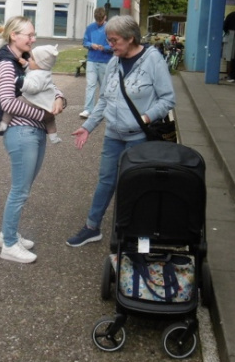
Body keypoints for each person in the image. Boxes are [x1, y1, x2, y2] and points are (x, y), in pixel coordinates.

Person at [67, 15, 175, 247]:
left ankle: (135, 235)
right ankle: (91, 227)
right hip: (113, 135)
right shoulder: (114, 61)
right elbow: (104, 99)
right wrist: (87, 127)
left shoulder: (153, 60)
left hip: (139, 138)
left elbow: (167, 99)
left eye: (114, 40)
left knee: (135, 186)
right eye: (109, 40)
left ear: (131, 38)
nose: (110, 45)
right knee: (106, 181)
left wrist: (145, 118)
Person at [0, 16, 66, 263]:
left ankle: (7, 234)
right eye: (29, 35)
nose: (33, 40)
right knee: (20, 191)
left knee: (22, 190)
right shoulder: (6, 64)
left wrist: (59, 97)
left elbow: (47, 83)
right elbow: (7, 103)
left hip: (33, 131)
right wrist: (44, 115)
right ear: (14, 35)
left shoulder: (23, 60)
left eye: (33, 35)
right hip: (22, 132)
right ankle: (9, 245)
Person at [0, 44, 62, 144]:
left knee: (14, 104)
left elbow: (33, 87)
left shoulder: (39, 75)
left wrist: (19, 81)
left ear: (40, 64)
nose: (29, 59)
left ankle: (4, 123)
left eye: (32, 59)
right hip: (46, 102)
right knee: (50, 120)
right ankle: (54, 136)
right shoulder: (44, 71)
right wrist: (26, 64)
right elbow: (32, 69)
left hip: (34, 101)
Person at [80, 7, 113, 118]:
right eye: (97, 21)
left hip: (105, 61)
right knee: (90, 85)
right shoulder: (90, 28)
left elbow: (114, 45)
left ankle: (106, 109)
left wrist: (105, 48)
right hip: (92, 60)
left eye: (101, 21)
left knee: (104, 87)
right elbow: (85, 42)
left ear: (105, 17)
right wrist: (91, 45)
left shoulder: (110, 29)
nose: (99, 23)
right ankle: (88, 110)